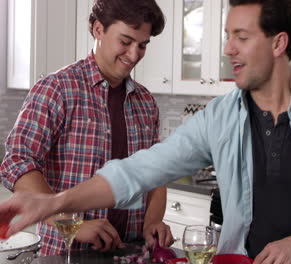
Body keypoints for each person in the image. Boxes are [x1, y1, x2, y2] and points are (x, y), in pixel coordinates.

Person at [0, 0, 291, 263]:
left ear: (278, 43)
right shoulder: (219, 117)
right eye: (227, 36)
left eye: (241, 37)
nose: (228, 49)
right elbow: (141, 170)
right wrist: (55, 204)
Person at [0, 0, 173, 256]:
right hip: (66, 252)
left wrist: (152, 223)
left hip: (133, 252)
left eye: (143, 45)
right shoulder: (57, 89)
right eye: (125, 41)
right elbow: (18, 162)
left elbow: (156, 173)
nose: (134, 54)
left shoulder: (145, 102)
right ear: (98, 30)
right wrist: (70, 222)